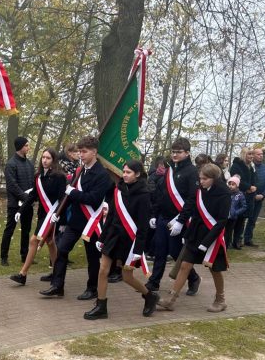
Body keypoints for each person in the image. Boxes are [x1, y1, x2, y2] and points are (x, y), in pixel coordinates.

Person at [83, 160, 158, 320]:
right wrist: (102, 238)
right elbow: (111, 216)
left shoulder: (144, 195)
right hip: (112, 236)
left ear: (137, 174)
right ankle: (101, 306)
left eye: (128, 172)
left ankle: (149, 296)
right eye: (124, 171)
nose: (124, 175)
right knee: (103, 270)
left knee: (126, 276)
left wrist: (139, 249)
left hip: (130, 240)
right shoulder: (118, 190)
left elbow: (143, 226)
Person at [40, 135, 111, 300]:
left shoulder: (102, 174)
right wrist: (60, 216)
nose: (81, 154)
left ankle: (92, 288)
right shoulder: (80, 170)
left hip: (91, 221)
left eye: (84, 151)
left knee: (92, 257)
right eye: (79, 151)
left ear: (94, 152)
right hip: (76, 220)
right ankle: (57, 286)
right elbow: (69, 197)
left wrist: (74, 192)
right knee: (62, 250)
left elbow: (93, 199)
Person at [158, 163, 230, 312]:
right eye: (200, 178)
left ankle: (220, 299)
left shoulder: (224, 193)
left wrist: (206, 242)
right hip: (196, 233)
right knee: (185, 265)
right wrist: (187, 232)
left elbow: (222, 221)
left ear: (214, 179)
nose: (201, 182)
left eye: (204, 179)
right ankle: (171, 299)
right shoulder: (200, 190)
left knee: (214, 269)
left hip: (213, 236)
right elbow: (194, 211)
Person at [146, 137, 201, 296]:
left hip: (178, 220)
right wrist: (154, 215)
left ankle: (193, 278)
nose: (175, 155)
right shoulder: (170, 169)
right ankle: (154, 282)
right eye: (173, 152)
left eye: (179, 152)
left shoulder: (191, 172)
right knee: (159, 251)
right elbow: (161, 194)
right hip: (163, 218)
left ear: (187, 153)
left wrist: (181, 220)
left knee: (177, 253)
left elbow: (192, 199)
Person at [9, 148, 66, 285]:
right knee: (51, 243)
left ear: (53, 160)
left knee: (34, 240)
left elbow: (63, 198)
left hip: (53, 215)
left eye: (48, 158)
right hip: (42, 215)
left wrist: (58, 214)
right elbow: (33, 196)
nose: (45, 160)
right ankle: (56, 273)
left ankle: (23, 274)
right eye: (43, 157)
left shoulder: (59, 177)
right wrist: (20, 210)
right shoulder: (38, 176)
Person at [0, 136, 35, 266]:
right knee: (10, 230)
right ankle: (4, 256)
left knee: (26, 230)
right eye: (26, 145)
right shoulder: (11, 164)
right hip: (15, 204)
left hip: (27, 204)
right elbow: (13, 186)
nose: (28, 147)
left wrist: (31, 198)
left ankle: (24, 255)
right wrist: (26, 198)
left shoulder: (30, 164)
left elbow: (33, 182)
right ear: (20, 146)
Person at [243, 147, 265, 247]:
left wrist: (263, 195)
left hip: (260, 198)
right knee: (242, 218)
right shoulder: (249, 167)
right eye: (258, 154)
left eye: (262, 154)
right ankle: (237, 239)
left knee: (253, 219)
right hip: (248, 197)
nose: (261, 156)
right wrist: (253, 195)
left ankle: (248, 239)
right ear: (253, 155)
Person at [228, 148, 256, 248]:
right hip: (237, 196)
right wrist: (248, 187)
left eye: (252, 154)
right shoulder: (236, 166)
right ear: (244, 154)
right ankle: (229, 241)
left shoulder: (251, 167)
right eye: (249, 154)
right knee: (234, 220)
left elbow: (253, 180)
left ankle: (237, 240)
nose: (251, 156)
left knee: (242, 220)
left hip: (248, 196)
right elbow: (235, 181)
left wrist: (253, 187)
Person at [224, 175, 247, 249]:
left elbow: (244, 207)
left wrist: (235, 212)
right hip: (224, 216)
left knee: (229, 232)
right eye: (229, 184)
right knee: (223, 232)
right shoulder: (226, 193)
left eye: (233, 184)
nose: (230, 186)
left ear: (237, 185)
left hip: (232, 217)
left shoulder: (240, 195)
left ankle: (227, 246)